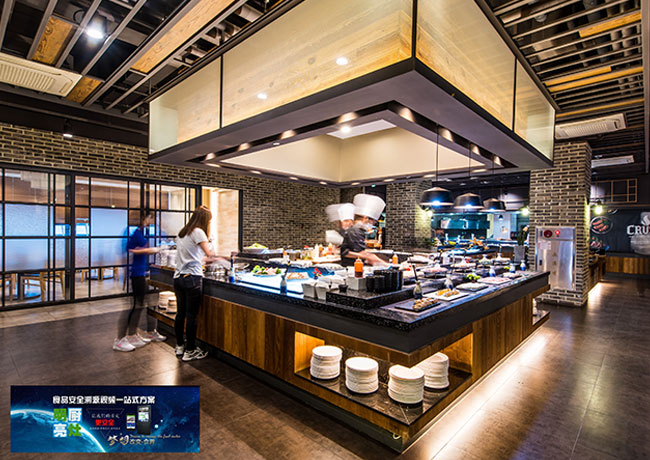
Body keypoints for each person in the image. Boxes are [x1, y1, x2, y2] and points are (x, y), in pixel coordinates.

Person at [174, 205, 226, 362]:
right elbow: (210, 255)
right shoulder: (198, 232)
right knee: (192, 316)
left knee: (180, 314)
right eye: (209, 220)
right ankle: (190, 350)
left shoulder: (183, 232)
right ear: (205, 220)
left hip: (178, 277)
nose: (209, 223)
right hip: (192, 279)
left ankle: (180, 346)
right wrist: (225, 260)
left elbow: (193, 255)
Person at [113, 211, 165, 352]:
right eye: (151, 217)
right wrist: (149, 250)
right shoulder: (135, 232)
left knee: (141, 304)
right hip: (136, 272)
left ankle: (132, 335)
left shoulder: (140, 231)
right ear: (144, 218)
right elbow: (130, 249)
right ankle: (120, 339)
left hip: (141, 271)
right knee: (135, 306)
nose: (152, 220)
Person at [340, 194, 387, 267]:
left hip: (357, 265)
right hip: (352, 267)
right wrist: (385, 264)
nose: (373, 224)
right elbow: (357, 253)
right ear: (365, 218)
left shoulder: (359, 231)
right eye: (373, 222)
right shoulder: (354, 231)